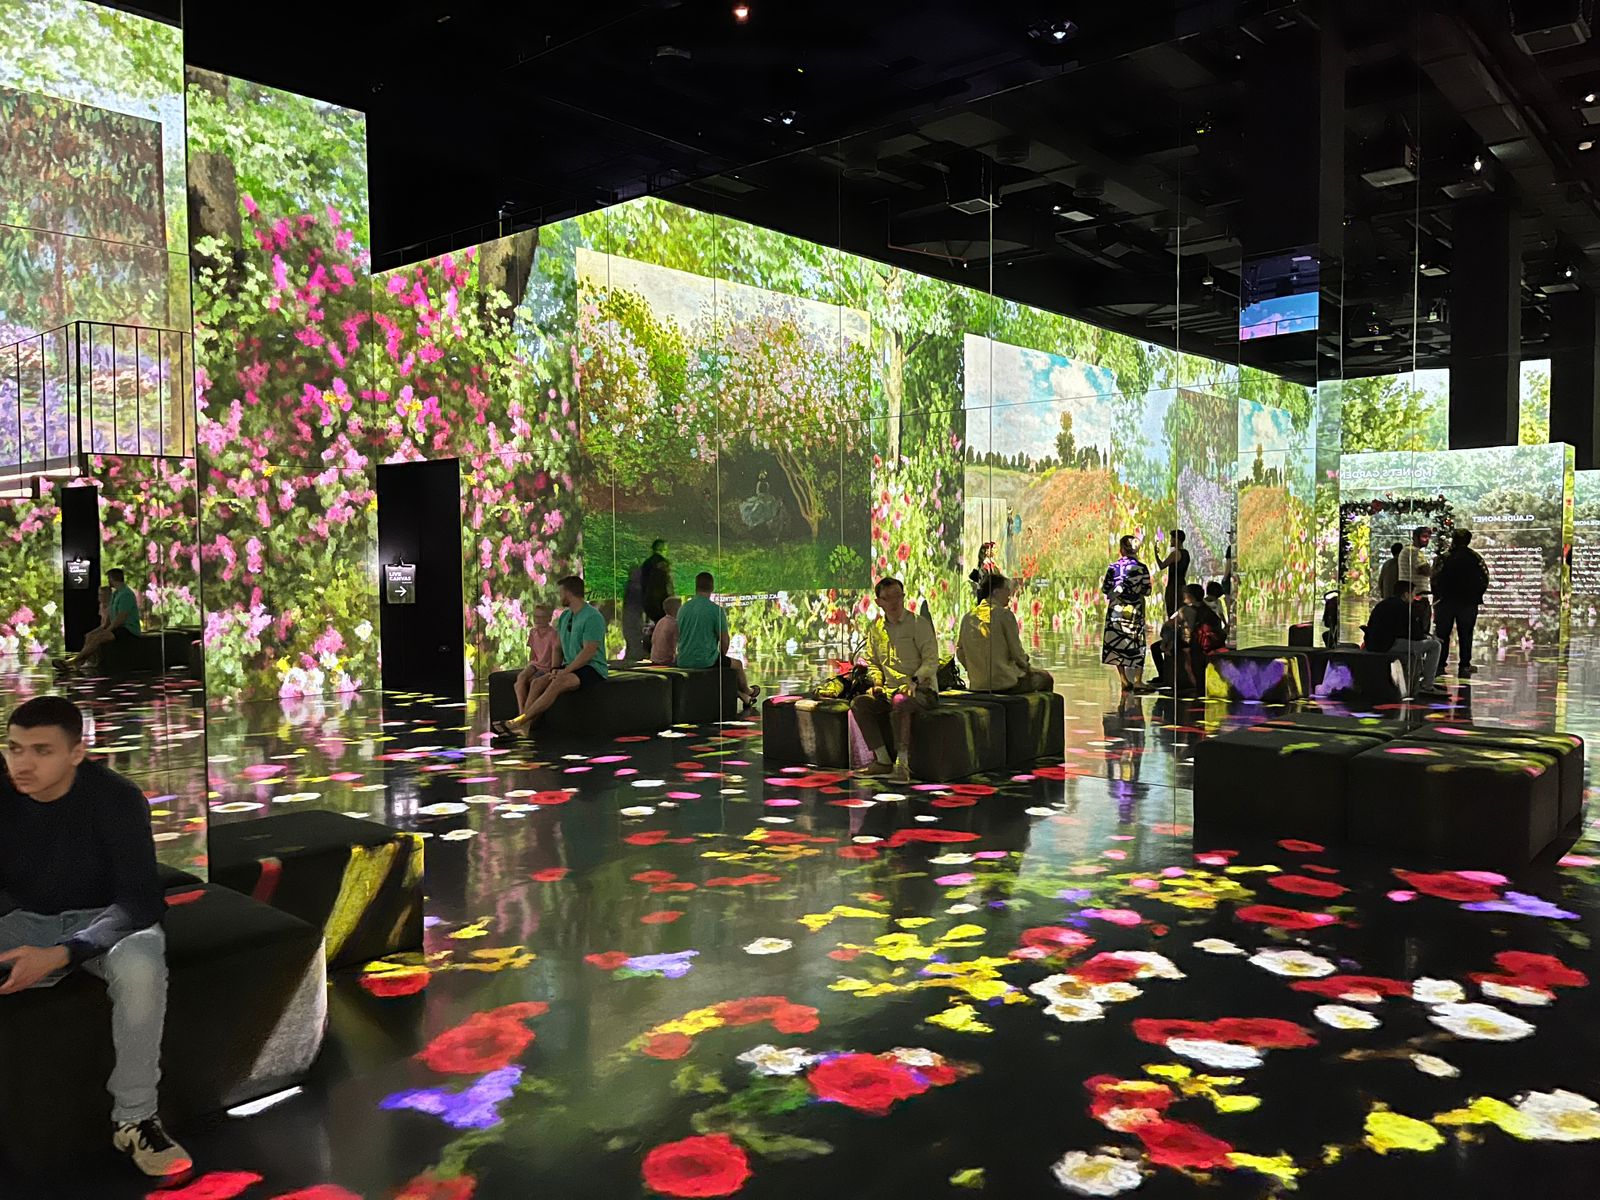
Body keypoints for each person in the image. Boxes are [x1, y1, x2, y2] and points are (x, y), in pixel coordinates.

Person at [0, 696, 190, 1178]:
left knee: (142, 970)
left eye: (42, 751)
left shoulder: (116, 799)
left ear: (77, 753)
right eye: (15, 748)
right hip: (27, 918)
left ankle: (136, 1118)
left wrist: (64, 953)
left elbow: (139, 901)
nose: (23, 763)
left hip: (108, 924)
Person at [850, 577, 938, 783]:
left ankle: (903, 764)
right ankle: (882, 760)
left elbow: (931, 661)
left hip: (922, 691)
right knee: (860, 704)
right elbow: (873, 662)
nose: (894, 602)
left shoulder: (918, 624)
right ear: (878, 602)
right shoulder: (876, 629)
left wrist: (914, 681)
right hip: (890, 690)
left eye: (897, 596)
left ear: (903, 596)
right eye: (888, 598)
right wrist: (877, 684)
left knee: (901, 700)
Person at [499, 576, 607, 736]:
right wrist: (555, 668)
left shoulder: (592, 617)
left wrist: (565, 671)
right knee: (537, 683)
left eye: (561, 592)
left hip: (591, 667)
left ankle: (520, 721)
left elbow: (588, 652)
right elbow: (558, 647)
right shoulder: (565, 616)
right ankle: (525, 726)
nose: (559, 596)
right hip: (570, 666)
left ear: (569, 593)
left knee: (558, 683)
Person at [957, 573, 1053, 694]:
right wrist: (1028, 668)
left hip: (977, 685)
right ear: (996, 592)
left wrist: (974, 669)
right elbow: (1017, 654)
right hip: (1005, 685)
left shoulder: (967, 618)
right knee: (1045, 678)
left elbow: (960, 652)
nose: (1009, 593)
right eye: (1006, 589)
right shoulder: (1004, 615)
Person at [676, 573, 760, 710]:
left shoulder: (683, 609)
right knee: (737, 664)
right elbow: (724, 640)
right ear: (712, 587)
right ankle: (748, 690)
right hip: (705, 661)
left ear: (696, 587)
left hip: (683, 660)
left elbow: (678, 635)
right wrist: (722, 656)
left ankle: (744, 697)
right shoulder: (715, 610)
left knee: (721, 668)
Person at [1364, 580, 1446, 698]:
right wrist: (1428, 636)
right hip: (1388, 644)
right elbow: (1414, 634)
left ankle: (1417, 682)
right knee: (1435, 646)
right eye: (1413, 593)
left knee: (1417, 647)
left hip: (1374, 642)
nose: (1414, 597)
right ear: (1406, 594)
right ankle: (1427, 685)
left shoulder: (1383, 604)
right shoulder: (1404, 608)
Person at [56, 568, 141, 672]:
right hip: (117, 628)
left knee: (98, 638)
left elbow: (121, 618)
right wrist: (100, 630)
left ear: (112, 578)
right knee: (90, 636)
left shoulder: (126, 594)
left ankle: (71, 662)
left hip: (127, 630)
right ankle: (80, 662)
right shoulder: (116, 594)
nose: (108, 581)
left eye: (109, 578)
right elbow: (110, 617)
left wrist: (108, 630)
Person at [1432, 529, 1490, 677]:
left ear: (1453, 539)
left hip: (1445, 602)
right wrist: (1476, 595)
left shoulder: (1444, 558)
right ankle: (1464, 665)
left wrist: (1438, 596)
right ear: (1468, 540)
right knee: (1466, 634)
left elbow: (1434, 578)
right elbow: (1485, 578)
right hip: (1468, 603)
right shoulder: (1475, 558)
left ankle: (1440, 664)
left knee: (1443, 634)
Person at [1150, 584, 1226, 694]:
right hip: (1206, 642)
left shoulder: (1185, 610)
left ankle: (1163, 676)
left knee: (1155, 647)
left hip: (1190, 643)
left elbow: (1168, 625)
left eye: (1185, 593)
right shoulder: (1207, 609)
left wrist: (1166, 641)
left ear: (1190, 596)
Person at [1102, 536, 1153, 693]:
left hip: (1116, 609)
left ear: (1122, 549)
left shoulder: (1113, 567)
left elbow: (1105, 588)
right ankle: (1138, 680)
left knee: (1116, 643)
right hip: (1134, 609)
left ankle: (1123, 679)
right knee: (1137, 642)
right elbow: (1147, 590)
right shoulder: (1142, 568)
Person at [513, 602, 562, 716]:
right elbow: (533, 652)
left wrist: (553, 670)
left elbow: (556, 653)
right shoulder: (533, 632)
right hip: (536, 664)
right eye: (536, 617)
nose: (538, 620)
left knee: (533, 683)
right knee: (520, 679)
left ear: (549, 618)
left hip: (547, 667)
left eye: (541, 617)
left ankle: (525, 714)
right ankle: (521, 711)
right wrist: (530, 666)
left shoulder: (553, 634)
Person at [640, 540, 672, 627]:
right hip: (662, 604)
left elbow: (643, 584)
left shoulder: (646, 563)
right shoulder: (664, 563)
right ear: (662, 549)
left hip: (648, 603)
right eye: (666, 549)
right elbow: (668, 584)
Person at [1159, 530, 1190, 617]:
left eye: (1172, 539)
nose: (1170, 541)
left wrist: (1156, 554)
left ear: (1177, 540)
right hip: (1182, 585)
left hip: (1173, 587)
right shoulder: (1186, 553)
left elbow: (1162, 565)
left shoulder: (1175, 554)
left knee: (1172, 612)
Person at [1398, 526, 1432, 593]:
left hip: (1411, 592)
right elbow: (1426, 571)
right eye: (1424, 537)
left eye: (1429, 537)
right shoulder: (1413, 551)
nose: (1427, 540)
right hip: (1417, 593)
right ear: (1415, 537)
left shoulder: (1408, 550)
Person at [650, 595, 681, 665]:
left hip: (655, 659)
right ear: (676, 609)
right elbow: (680, 643)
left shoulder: (661, 621)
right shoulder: (674, 624)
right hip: (666, 661)